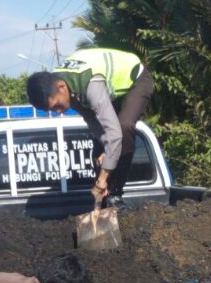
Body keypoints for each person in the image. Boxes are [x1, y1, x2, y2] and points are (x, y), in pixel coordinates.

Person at [25, 48, 154, 206]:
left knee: (123, 128)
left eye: (57, 106)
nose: (58, 112)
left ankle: (116, 194)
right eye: (52, 110)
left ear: (61, 87)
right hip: (110, 89)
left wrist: (102, 179)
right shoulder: (61, 85)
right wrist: (104, 147)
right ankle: (103, 200)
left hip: (136, 79)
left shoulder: (90, 86)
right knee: (100, 147)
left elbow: (114, 135)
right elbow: (91, 119)